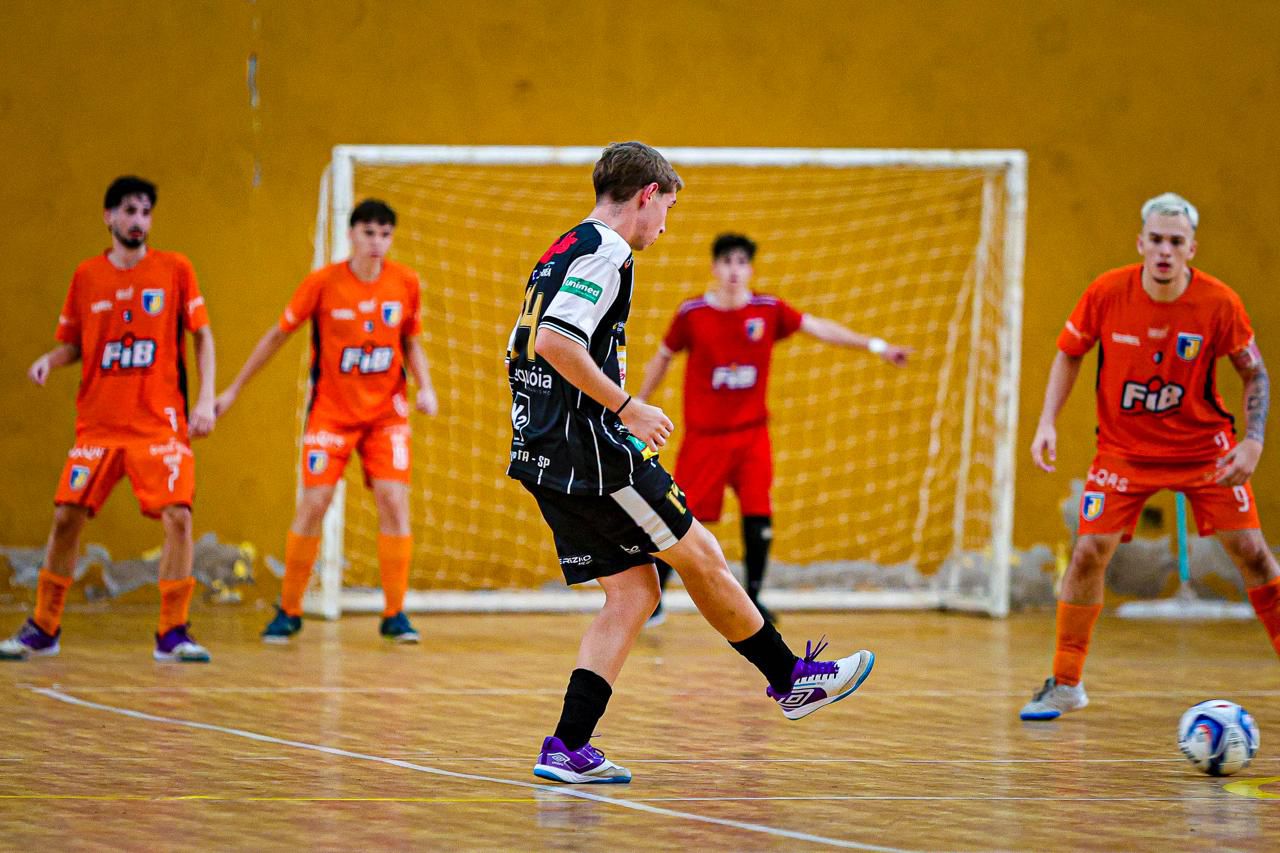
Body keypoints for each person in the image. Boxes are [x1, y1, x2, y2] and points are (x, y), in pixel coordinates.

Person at [507, 142, 875, 785]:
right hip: (592, 453)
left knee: (635, 593)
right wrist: (627, 407)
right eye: (668, 209)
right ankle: (792, 679)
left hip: (543, 449)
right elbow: (555, 341)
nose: (665, 226)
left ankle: (567, 746)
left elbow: (527, 346)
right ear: (647, 195)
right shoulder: (607, 250)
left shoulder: (561, 247)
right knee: (701, 554)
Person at [1020, 192, 1280, 720]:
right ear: (1140, 243)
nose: (1165, 250)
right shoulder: (1106, 293)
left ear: (1191, 249)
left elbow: (1254, 372)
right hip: (1124, 452)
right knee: (1089, 552)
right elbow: (1069, 353)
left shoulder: (1219, 303)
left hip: (1203, 449)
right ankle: (1066, 683)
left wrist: (1252, 441)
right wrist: (1047, 421)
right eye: (1156, 240)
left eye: (1176, 242)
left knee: (1252, 552)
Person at [636, 233, 910, 626]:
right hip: (705, 437)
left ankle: (755, 598)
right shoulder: (692, 313)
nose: (734, 270)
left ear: (750, 269)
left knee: (758, 511)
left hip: (751, 435)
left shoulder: (767, 310)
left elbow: (819, 327)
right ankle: (655, 599)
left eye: (741, 262)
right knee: (680, 513)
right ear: (714, 268)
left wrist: (877, 346)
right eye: (727, 262)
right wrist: (638, 404)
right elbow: (663, 357)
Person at [0, 176, 217, 663]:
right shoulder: (87, 276)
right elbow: (76, 343)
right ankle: (44, 627)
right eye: (129, 211)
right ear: (109, 217)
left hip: (158, 424)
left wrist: (204, 401)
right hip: (98, 425)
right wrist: (50, 360)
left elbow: (202, 336)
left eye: (145, 212)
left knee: (179, 517)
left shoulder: (175, 269)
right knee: (65, 518)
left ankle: (173, 631)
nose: (138, 221)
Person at [216, 199, 437, 643]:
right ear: (351, 234)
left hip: (386, 416)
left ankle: (395, 613)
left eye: (385, 234)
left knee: (394, 502)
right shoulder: (322, 283)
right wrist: (234, 388)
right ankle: (289, 610)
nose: (377, 242)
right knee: (314, 503)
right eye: (369, 232)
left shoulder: (405, 282)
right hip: (332, 415)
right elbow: (277, 335)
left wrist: (425, 387)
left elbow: (411, 341)